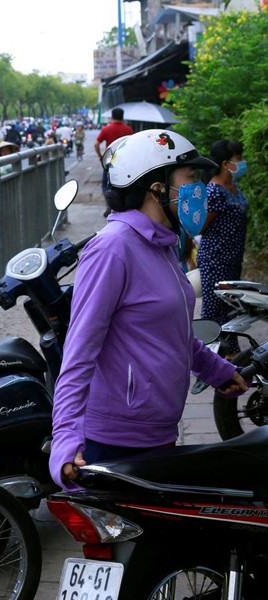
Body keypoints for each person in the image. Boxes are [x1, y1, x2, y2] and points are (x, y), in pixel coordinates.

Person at [50, 130, 247, 490]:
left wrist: (218, 371)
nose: (198, 190)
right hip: (115, 440)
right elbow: (78, 352)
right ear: (156, 189)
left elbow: (171, 333)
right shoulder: (112, 249)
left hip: (158, 431)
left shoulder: (162, 246)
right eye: (190, 179)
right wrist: (64, 439)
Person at [198, 139, 249, 333]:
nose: (243, 162)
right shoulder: (214, 192)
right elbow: (200, 227)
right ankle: (207, 356)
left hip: (232, 260)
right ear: (226, 164)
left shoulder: (233, 186)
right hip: (215, 260)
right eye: (239, 158)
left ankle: (230, 355)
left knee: (231, 312)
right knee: (214, 312)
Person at [94, 108, 134, 213]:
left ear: (112, 116)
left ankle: (110, 203)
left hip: (110, 159)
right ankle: (120, 203)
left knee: (106, 183)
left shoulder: (106, 129)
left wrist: (100, 156)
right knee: (122, 181)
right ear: (122, 117)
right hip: (124, 160)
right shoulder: (128, 130)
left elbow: (96, 143)